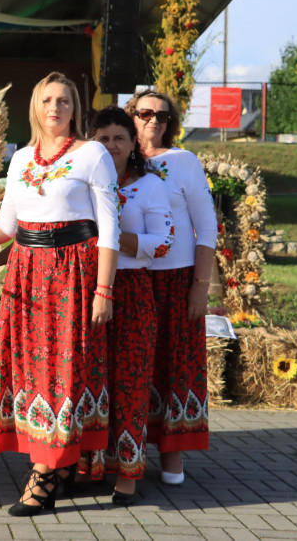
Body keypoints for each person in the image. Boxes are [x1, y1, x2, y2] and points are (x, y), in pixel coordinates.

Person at [0, 72, 119, 517]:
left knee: (65, 369)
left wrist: (104, 290)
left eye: (64, 101)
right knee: (30, 369)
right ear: (35, 107)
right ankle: (53, 462)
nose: (55, 108)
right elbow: (7, 226)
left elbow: (109, 230)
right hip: (26, 275)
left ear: (75, 108)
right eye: (47, 100)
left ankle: (45, 472)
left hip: (72, 275)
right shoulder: (20, 158)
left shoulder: (92, 154)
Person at [127, 90, 217, 485]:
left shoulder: (184, 162)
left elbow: (207, 226)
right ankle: (122, 453)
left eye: (162, 117)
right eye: (145, 113)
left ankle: (172, 454)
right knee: (130, 366)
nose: (153, 121)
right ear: (131, 117)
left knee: (174, 363)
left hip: (177, 279)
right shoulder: (113, 160)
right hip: (129, 276)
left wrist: (200, 285)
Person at [88, 106, 174, 505]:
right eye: (102, 138)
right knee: (88, 377)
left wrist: (113, 236)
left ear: (132, 143)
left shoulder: (150, 186)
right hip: (84, 286)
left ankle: (127, 474)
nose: (111, 145)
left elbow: (163, 242)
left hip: (133, 290)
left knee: (129, 379)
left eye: (119, 138)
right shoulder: (81, 183)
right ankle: (86, 466)